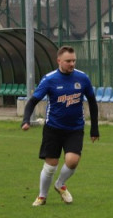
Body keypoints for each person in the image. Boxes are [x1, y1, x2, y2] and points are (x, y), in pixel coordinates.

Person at [20, 46, 100, 206]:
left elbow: (92, 102)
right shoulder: (49, 79)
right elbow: (33, 101)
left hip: (75, 128)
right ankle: (42, 196)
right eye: (68, 61)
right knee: (51, 166)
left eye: (74, 60)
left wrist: (94, 128)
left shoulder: (82, 78)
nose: (72, 64)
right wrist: (26, 120)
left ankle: (60, 184)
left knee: (72, 161)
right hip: (53, 129)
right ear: (59, 61)